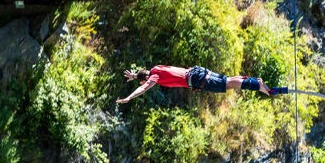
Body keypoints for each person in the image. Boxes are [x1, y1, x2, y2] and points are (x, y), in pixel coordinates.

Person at [116, 65, 270, 104]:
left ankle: (257, 85)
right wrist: (135, 75)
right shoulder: (155, 68)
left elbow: (143, 87)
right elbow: (144, 75)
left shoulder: (153, 77)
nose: (148, 85)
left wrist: (129, 97)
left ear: (145, 80)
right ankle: (257, 82)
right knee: (227, 81)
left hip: (196, 80)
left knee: (227, 84)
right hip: (196, 72)